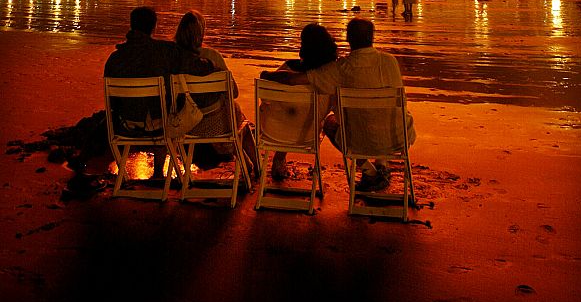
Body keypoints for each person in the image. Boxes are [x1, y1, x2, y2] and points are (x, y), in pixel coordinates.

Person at [265, 18, 415, 192]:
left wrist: (267, 75)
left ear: (348, 39)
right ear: (372, 37)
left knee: (332, 122)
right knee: (377, 116)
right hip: (399, 137)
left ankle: (369, 170)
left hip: (358, 143)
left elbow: (293, 79)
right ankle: (381, 164)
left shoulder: (340, 69)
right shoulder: (390, 62)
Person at [104, 6, 213, 179]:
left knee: (153, 106)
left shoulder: (114, 59)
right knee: (165, 108)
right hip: (158, 125)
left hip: (125, 124)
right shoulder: (165, 51)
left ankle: (119, 169)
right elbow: (198, 66)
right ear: (153, 27)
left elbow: (111, 103)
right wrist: (210, 63)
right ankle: (158, 173)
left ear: (131, 25)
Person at [174, 10, 258, 176]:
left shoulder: (172, 57)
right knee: (240, 120)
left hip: (184, 127)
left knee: (231, 112)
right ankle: (255, 166)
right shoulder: (211, 57)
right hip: (216, 127)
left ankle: (247, 163)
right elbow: (233, 92)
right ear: (201, 33)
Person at [259, 23, 338, 181]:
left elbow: (265, 98)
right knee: (316, 115)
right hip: (308, 134)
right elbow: (334, 106)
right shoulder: (329, 76)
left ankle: (279, 158)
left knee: (284, 111)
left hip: (273, 133)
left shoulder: (287, 68)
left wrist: (266, 75)